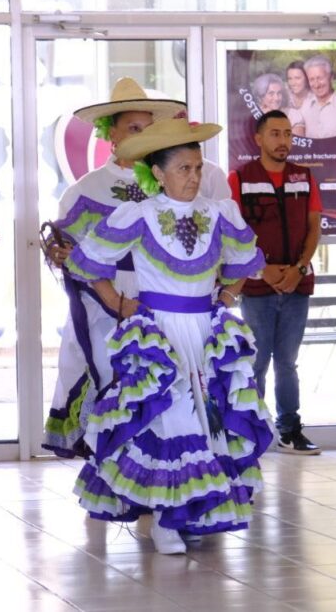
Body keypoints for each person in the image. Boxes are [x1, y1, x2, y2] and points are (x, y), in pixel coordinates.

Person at [64, 118, 273, 554]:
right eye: (183, 168)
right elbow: (89, 262)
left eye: (197, 168)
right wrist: (120, 304)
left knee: (206, 422)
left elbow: (243, 263)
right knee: (169, 417)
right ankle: (163, 519)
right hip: (159, 333)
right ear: (158, 172)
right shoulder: (138, 214)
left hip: (204, 331)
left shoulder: (218, 213)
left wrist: (228, 297)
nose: (194, 177)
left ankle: (192, 510)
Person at [43, 77, 231, 459]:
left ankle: (159, 471)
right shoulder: (84, 190)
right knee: (116, 379)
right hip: (104, 304)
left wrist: (220, 290)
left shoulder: (173, 179)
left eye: (147, 128)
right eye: (133, 127)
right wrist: (106, 294)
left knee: (171, 384)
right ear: (110, 132)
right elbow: (69, 253)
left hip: (168, 301)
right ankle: (116, 472)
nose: (141, 134)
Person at [228, 110, 323, 455]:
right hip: (256, 285)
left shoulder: (304, 177)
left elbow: (314, 227)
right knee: (256, 360)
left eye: (287, 134)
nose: (283, 141)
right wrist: (263, 270)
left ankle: (289, 429)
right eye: (275, 134)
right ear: (259, 138)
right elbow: (235, 234)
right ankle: (250, 431)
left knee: (287, 361)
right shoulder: (239, 178)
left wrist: (299, 266)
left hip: (297, 282)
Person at [302, 55, 336, 139]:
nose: (316, 85)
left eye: (320, 78)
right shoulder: (305, 107)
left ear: (331, 78)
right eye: (311, 79)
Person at [252, 71, 305, 136]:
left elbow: (298, 144)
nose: (276, 98)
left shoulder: (293, 115)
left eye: (279, 93)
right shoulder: (254, 114)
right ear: (261, 96)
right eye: (271, 94)